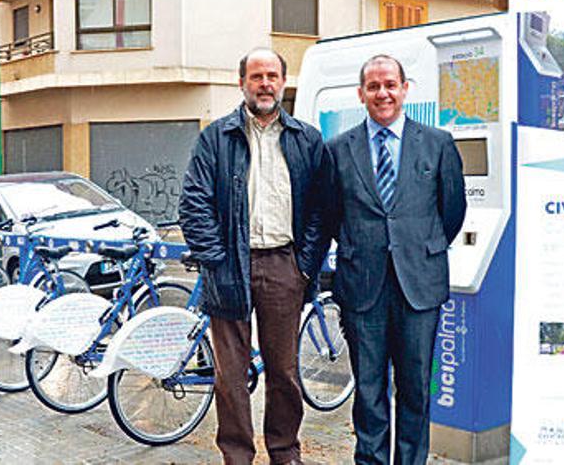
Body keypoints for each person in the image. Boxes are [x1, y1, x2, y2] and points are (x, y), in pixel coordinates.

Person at [179, 48, 326, 465]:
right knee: (230, 377)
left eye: (272, 76)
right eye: (257, 76)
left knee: (284, 372)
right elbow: (193, 203)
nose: (265, 83)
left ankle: (284, 452)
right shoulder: (216, 137)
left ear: (283, 81)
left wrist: (305, 265)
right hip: (229, 267)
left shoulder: (305, 138)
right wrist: (217, 260)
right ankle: (237, 456)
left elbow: (322, 207)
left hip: (284, 266)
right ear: (241, 82)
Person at [319, 54, 466, 464]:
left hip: (419, 285)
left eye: (390, 85)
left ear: (404, 89)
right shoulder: (337, 150)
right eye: (373, 86)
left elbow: (451, 212)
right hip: (362, 287)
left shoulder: (437, 144)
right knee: (368, 391)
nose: (382, 93)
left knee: (416, 389)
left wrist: (415, 247)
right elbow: (331, 215)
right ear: (361, 93)